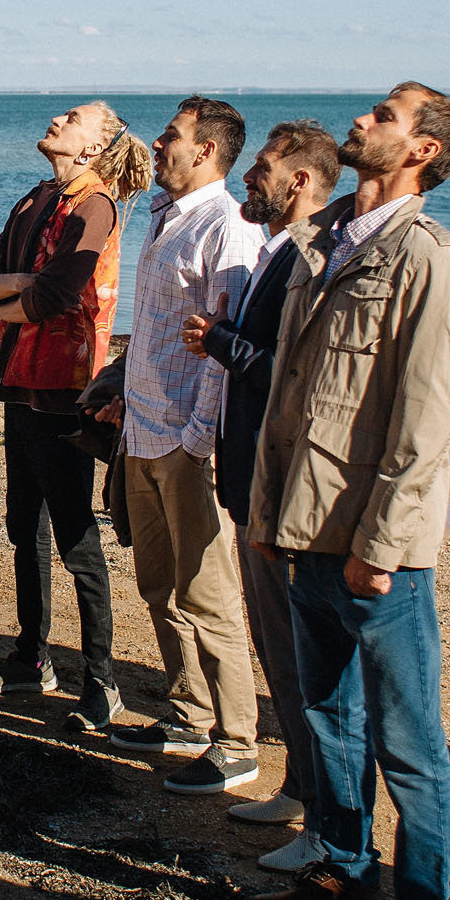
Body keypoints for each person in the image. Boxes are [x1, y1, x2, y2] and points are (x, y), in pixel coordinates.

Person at [244, 82, 450, 900]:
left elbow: (427, 422)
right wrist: (268, 515)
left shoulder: (431, 260)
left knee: (407, 739)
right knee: (325, 714)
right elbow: (286, 399)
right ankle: (345, 868)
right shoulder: (323, 241)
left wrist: (379, 546)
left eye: (385, 115)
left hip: (377, 554)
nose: (362, 120)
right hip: (303, 529)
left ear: (422, 150)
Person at [0, 101, 154, 732]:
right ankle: (32, 657)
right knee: (24, 524)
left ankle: (101, 681)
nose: (56, 120)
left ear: (94, 146)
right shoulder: (36, 197)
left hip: (67, 390)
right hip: (20, 383)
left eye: (72, 118)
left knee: (75, 537)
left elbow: (57, 295)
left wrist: (12, 293)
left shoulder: (95, 205)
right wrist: (19, 288)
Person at [183, 120, 343, 865]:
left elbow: (291, 372)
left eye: (264, 167)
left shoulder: (311, 258)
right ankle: (300, 789)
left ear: (299, 182)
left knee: (301, 660)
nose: (248, 176)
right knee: (280, 653)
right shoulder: (276, 252)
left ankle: (324, 824)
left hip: (281, 493)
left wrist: (218, 341)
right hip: (252, 485)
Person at [104, 97, 264, 795]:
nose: (157, 143)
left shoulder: (227, 226)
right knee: (158, 587)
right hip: (141, 432)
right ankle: (190, 714)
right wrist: (123, 396)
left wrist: (198, 440)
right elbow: (158, 329)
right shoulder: (165, 216)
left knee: (209, 596)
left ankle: (238, 742)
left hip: (184, 443)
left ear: (204, 151)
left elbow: (223, 343)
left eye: (171, 135)